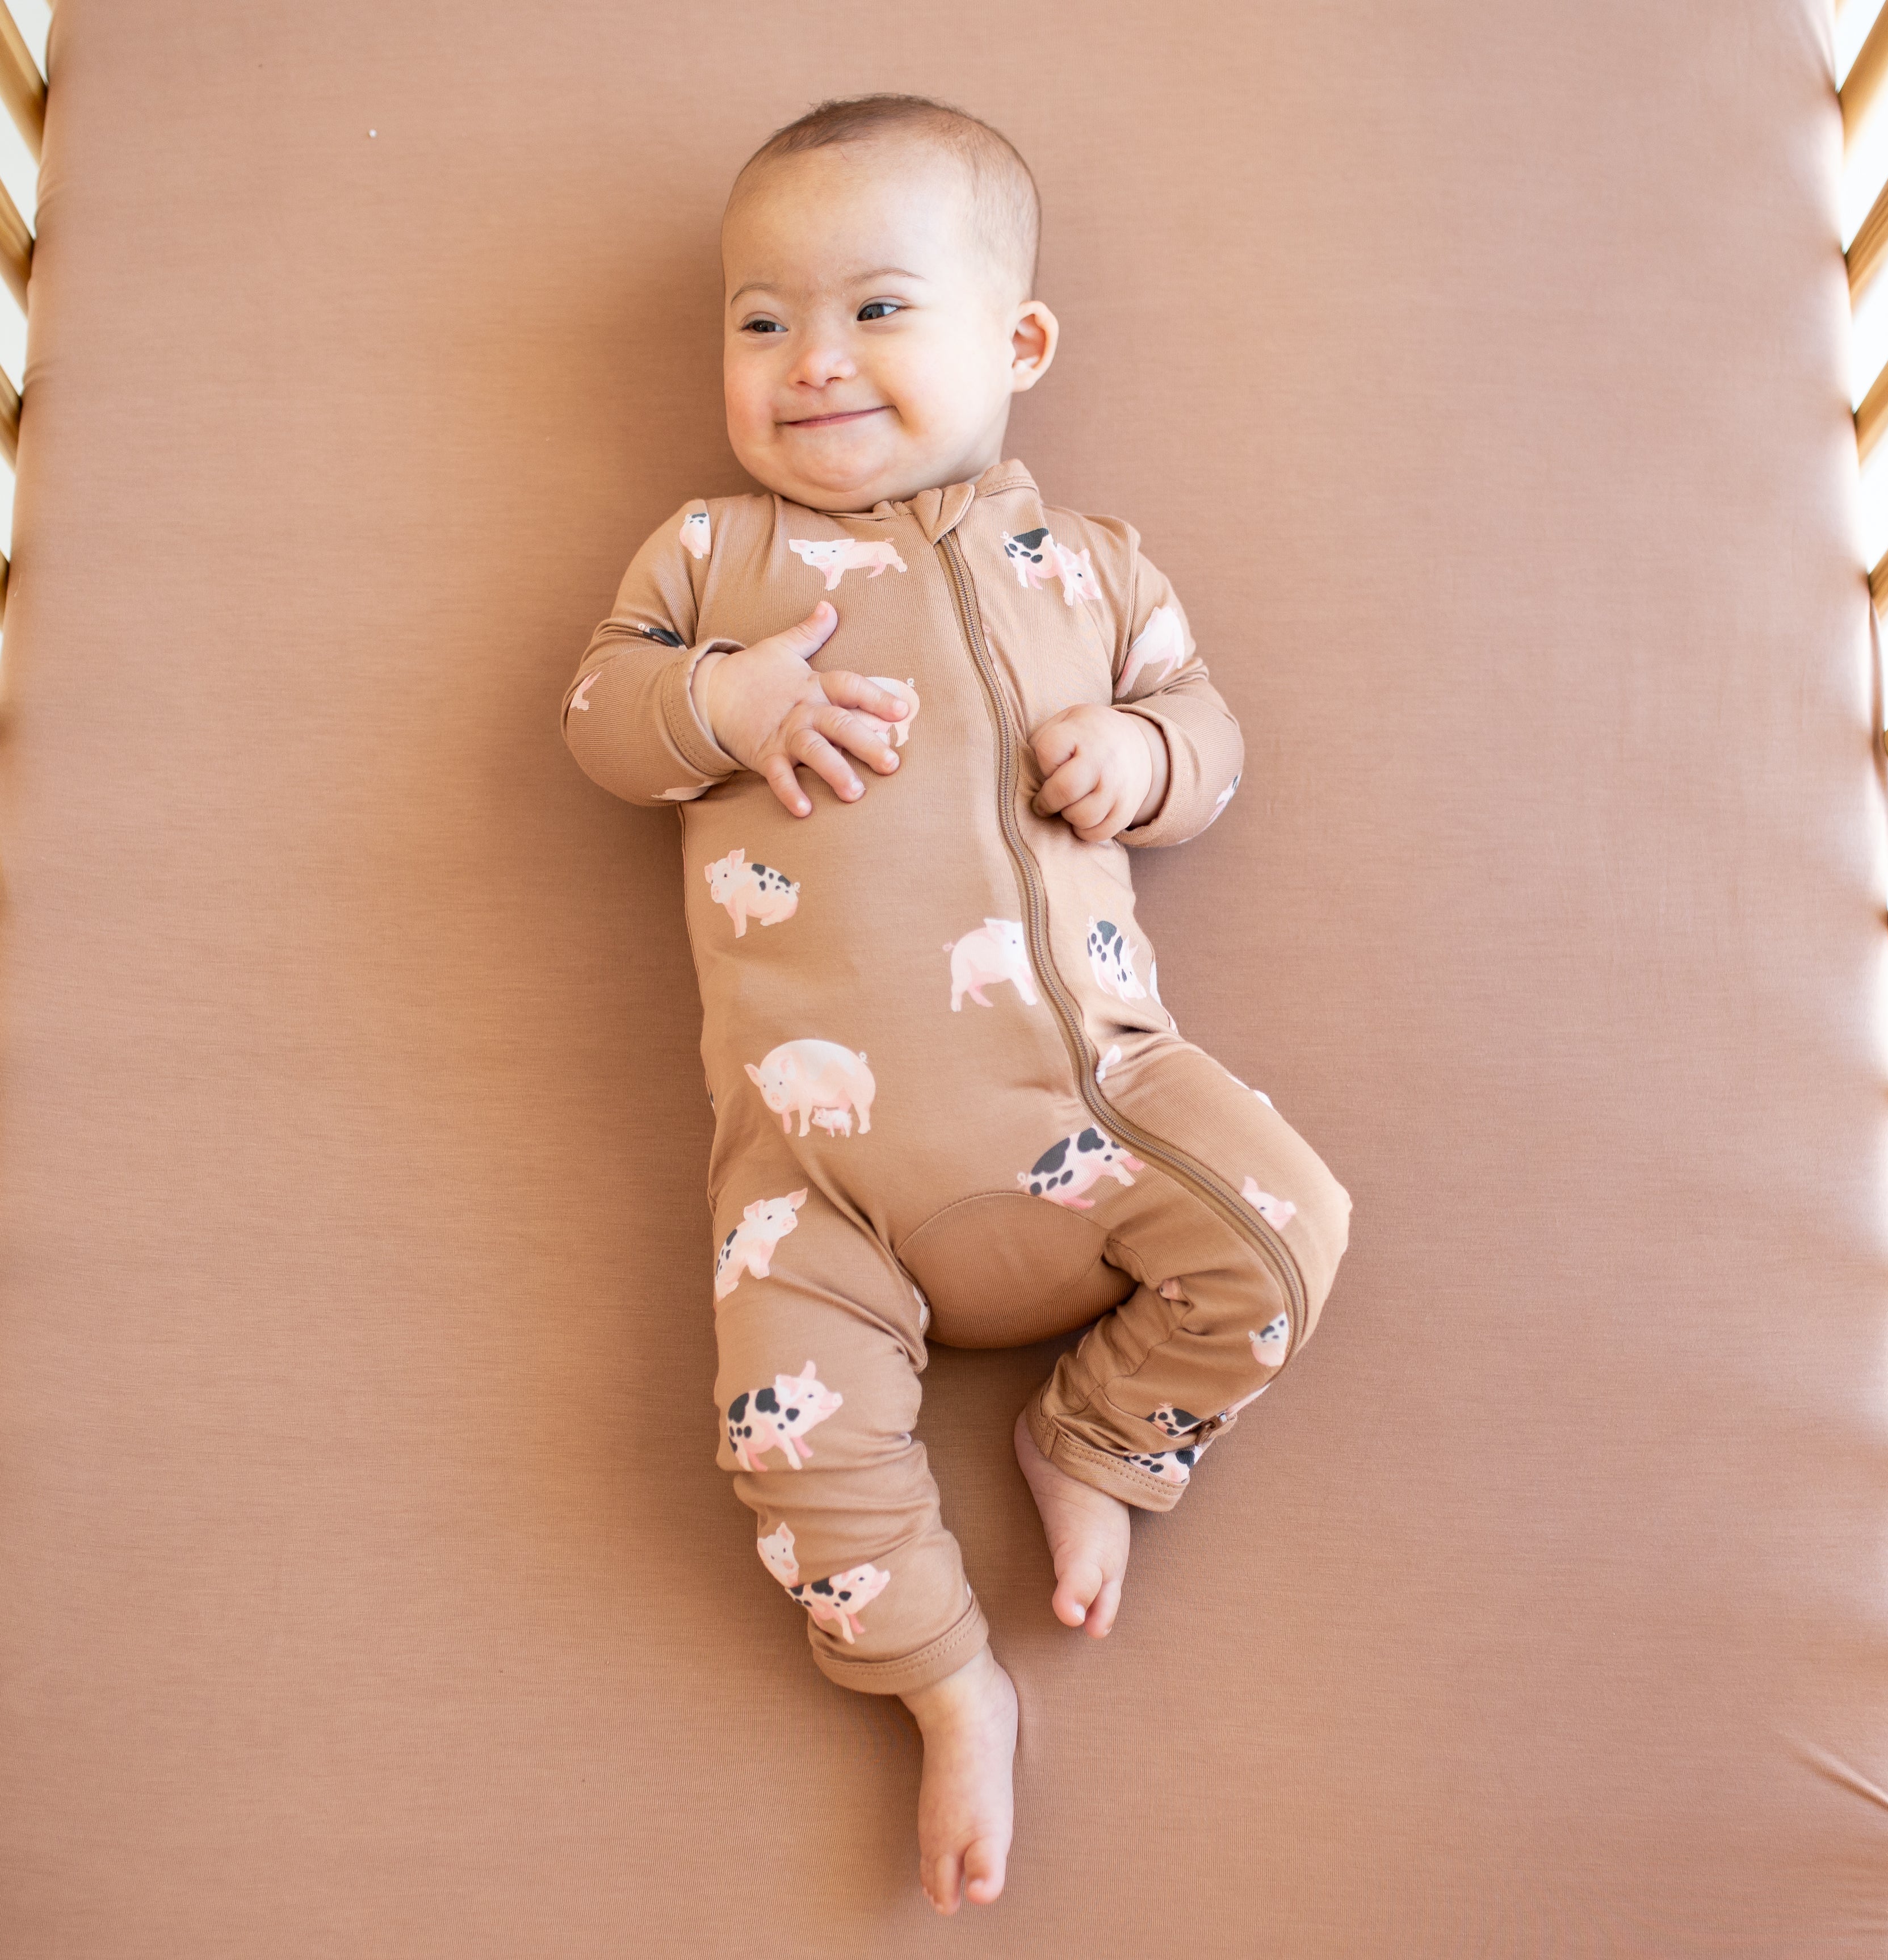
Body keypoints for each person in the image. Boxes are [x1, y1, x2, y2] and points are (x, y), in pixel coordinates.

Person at [561, 93, 1352, 1917]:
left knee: (1293, 1223)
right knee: (785, 1434)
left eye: (875, 310)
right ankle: (942, 1683)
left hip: (1099, 1105)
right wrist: (727, 704)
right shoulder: (711, 562)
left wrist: (1142, 756)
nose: (810, 360)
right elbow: (601, 717)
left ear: (1017, 343)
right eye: (761, 320)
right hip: (814, 1179)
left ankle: (1097, 1436)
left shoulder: (1091, 566)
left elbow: (1212, 736)